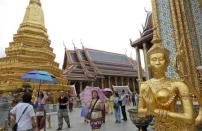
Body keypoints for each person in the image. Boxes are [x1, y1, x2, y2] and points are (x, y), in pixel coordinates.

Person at [138, 44, 197, 130]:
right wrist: (155, 111)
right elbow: (140, 112)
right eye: (154, 60)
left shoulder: (178, 84)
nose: (157, 63)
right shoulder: (144, 85)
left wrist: (160, 112)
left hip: (176, 127)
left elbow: (189, 117)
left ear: (167, 63)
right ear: (149, 64)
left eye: (161, 59)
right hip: (159, 127)